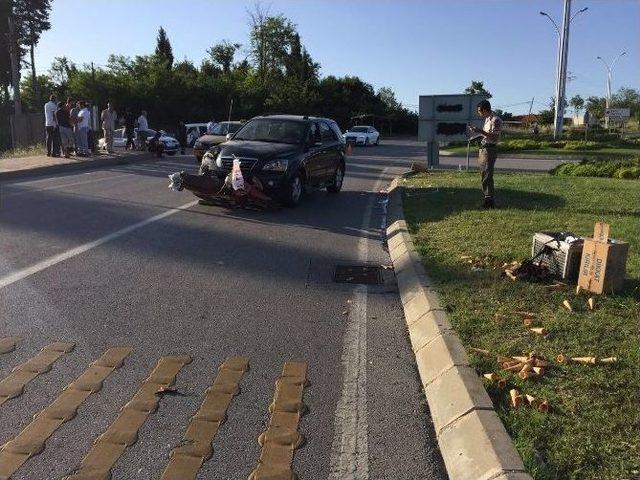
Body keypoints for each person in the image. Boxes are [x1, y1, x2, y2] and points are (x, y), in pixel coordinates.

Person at [469, 99, 502, 209]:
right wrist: (477, 137)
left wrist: (480, 131)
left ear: (484, 109)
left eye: (479, 111)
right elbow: (486, 136)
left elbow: (494, 137)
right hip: (483, 149)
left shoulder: (496, 120)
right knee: (484, 174)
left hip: (490, 150)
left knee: (488, 175)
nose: (478, 113)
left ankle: (489, 202)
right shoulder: (487, 119)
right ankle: (487, 199)